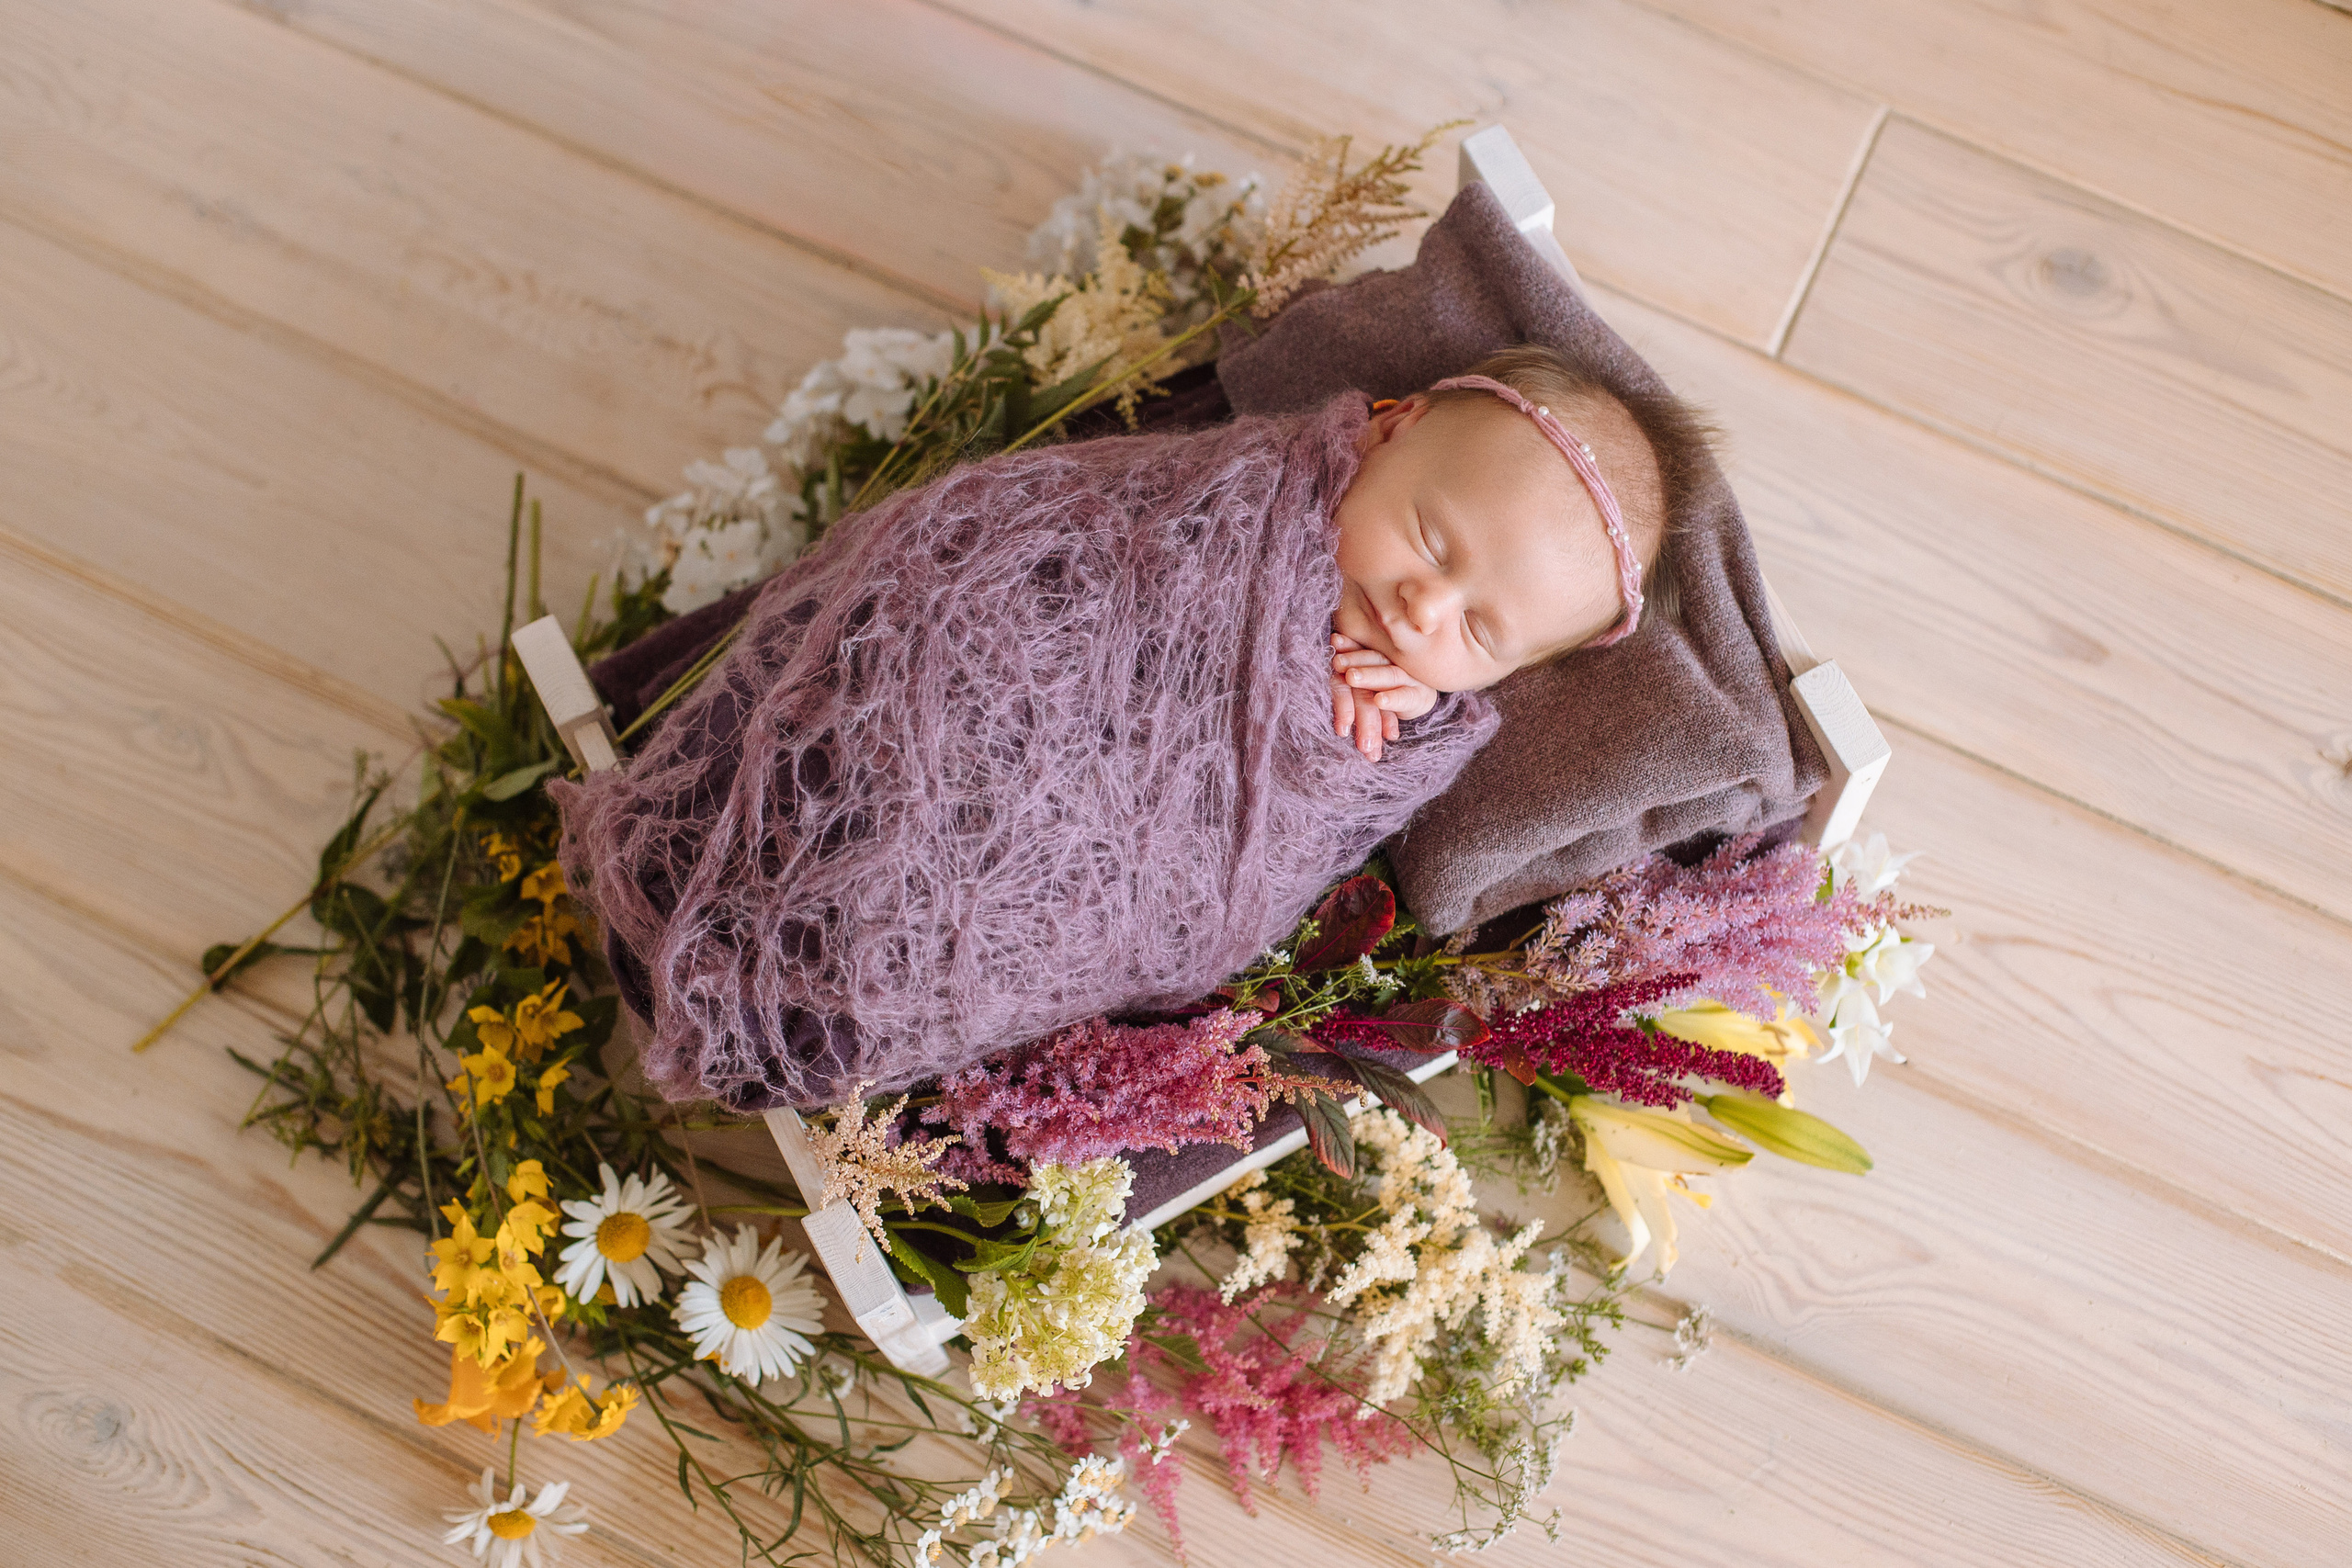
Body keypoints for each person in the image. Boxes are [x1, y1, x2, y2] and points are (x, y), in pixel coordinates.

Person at [1325, 344, 1700, 761]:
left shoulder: (1422, 710)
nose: (1426, 610)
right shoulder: (1267, 484)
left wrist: (1401, 714)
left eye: (1478, 631)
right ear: (1393, 427)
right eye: (1431, 543)